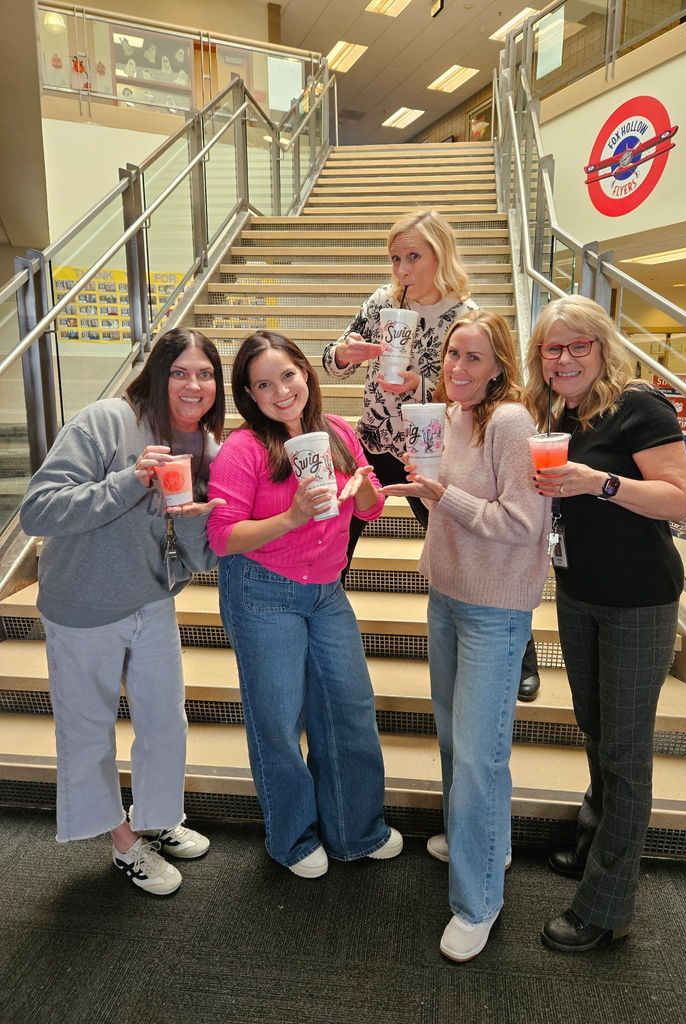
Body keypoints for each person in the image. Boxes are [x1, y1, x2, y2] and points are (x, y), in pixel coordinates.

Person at [20, 327, 227, 896]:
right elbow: (37, 510)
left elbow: (202, 556)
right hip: (82, 605)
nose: (193, 384)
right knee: (89, 732)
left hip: (151, 600)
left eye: (205, 373)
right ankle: (123, 844)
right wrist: (127, 484)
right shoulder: (106, 421)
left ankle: (155, 818)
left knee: (165, 720)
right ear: (157, 374)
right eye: (180, 372)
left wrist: (189, 518)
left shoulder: (206, 450)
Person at [524, 295, 686, 953]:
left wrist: (599, 482)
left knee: (624, 753)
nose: (565, 358)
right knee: (596, 730)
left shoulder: (638, 405)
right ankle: (595, 841)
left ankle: (606, 905)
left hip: (639, 599)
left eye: (578, 346)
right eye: (552, 348)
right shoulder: (559, 414)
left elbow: (677, 499)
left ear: (601, 347)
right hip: (580, 592)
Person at [382, 309, 550, 961]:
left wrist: (443, 494)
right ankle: (483, 842)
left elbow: (521, 523)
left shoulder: (512, 422)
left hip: (495, 609)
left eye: (474, 358)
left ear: (501, 366)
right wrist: (424, 487)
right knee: (457, 740)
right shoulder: (448, 415)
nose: (458, 368)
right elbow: (442, 508)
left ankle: (478, 900)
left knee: (481, 753)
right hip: (446, 596)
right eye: (453, 354)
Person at [322, 208, 540, 702]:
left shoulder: (463, 316)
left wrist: (423, 384)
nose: (402, 270)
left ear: (440, 254)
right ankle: (315, 615)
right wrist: (344, 354)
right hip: (375, 438)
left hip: (429, 447)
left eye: (413, 257)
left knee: (461, 535)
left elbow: (474, 393)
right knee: (339, 529)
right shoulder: (382, 302)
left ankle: (520, 652)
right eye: (396, 258)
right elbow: (330, 360)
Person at [207, 330, 403, 878]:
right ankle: (291, 839)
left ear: (306, 373)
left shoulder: (338, 432)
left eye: (287, 375)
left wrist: (365, 487)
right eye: (262, 384)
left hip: (326, 592)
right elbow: (223, 537)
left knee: (349, 708)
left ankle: (355, 830)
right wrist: (291, 516)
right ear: (249, 395)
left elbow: (367, 511)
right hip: (262, 591)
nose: (279, 390)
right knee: (277, 718)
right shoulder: (243, 450)